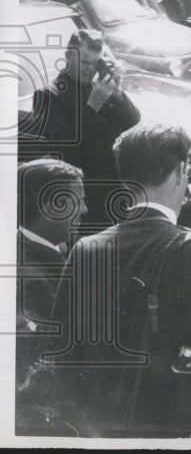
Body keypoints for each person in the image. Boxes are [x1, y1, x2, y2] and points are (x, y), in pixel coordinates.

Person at [51, 124, 191, 435]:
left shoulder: (86, 249)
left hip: (106, 423)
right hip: (180, 427)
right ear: (180, 172)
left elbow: (63, 351)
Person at [31, 29, 141, 225]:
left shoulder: (99, 87)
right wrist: (92, 106)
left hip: (116, 189)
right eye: (84, 62)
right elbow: (64, 147)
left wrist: (117, 93)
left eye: (95, 63)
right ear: (68, 57)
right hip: (83, 196)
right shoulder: (48, 94)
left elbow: (132, 122)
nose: (90, 69)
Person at [16, 160, 86, 388]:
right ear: (49, 207)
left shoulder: (23, 250)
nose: (84, 210)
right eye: (77, 201)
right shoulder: (34, 281)